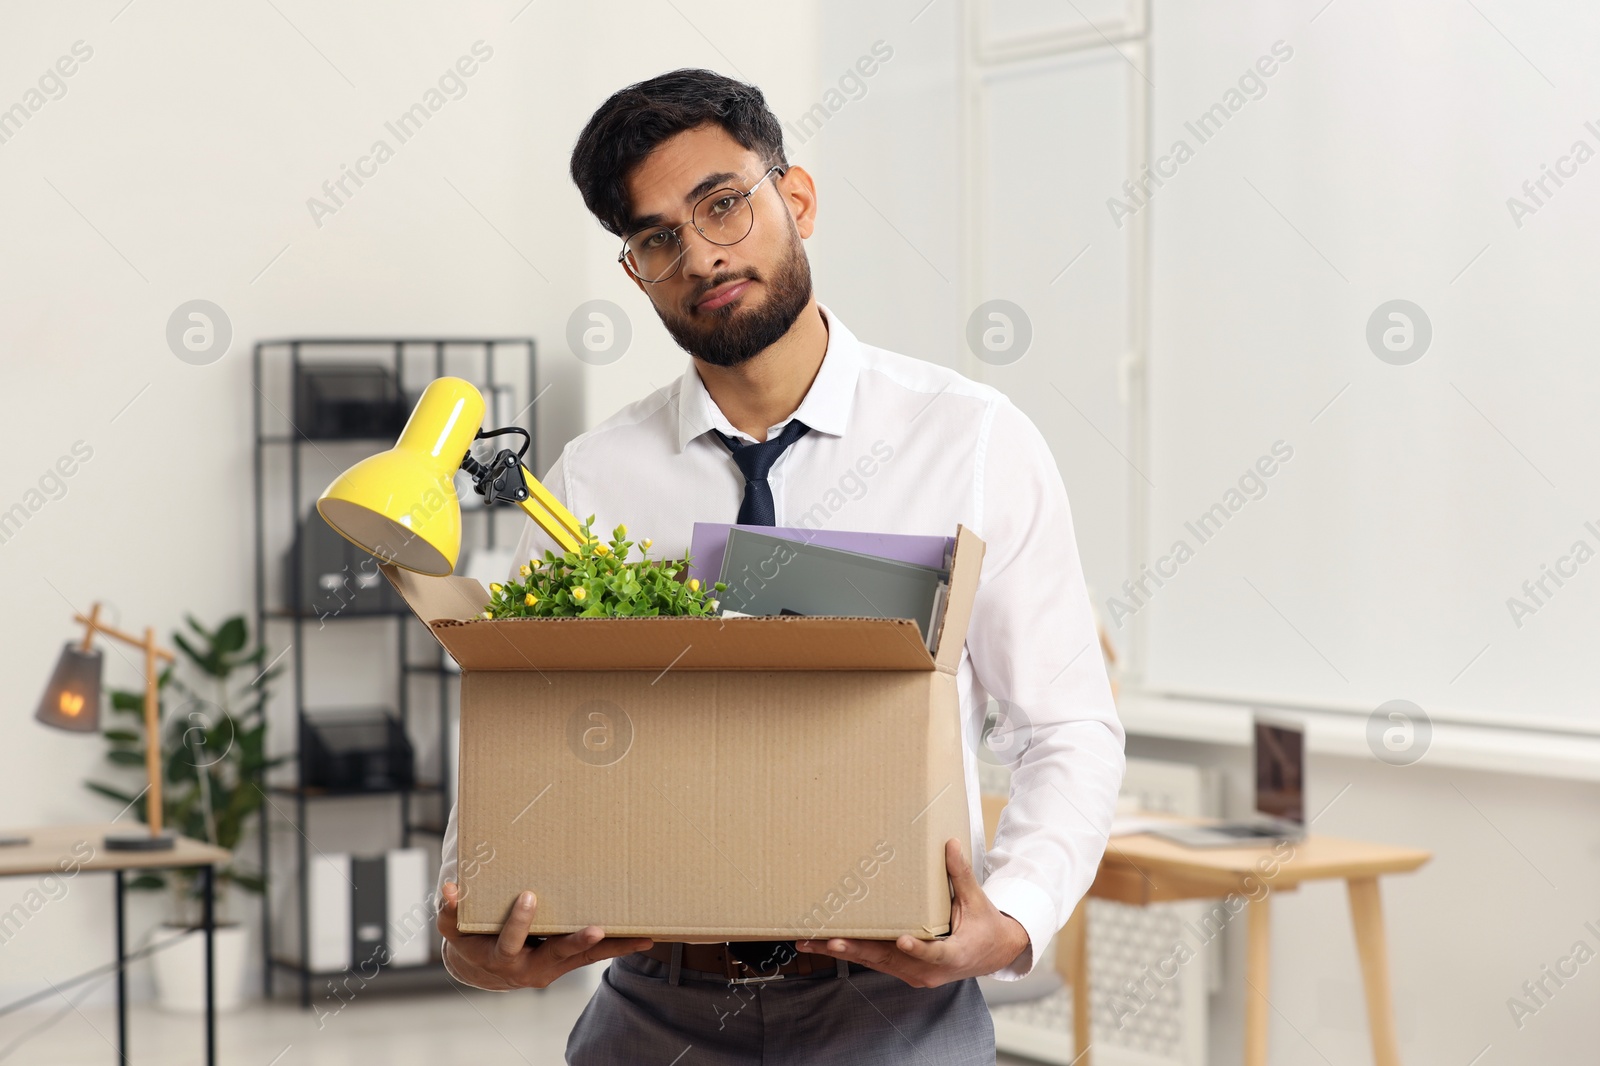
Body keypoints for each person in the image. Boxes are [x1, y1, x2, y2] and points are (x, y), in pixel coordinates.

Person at [434, 68, 1125, 1065]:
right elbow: (516, 731)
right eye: (656, 237)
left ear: (793, 198)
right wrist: (480, 910)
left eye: (723, 203)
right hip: (652, 1008)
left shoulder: (969, 442)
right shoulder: (587, 485)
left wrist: (1012, 917)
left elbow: (1066, 726)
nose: (701, 253)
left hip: (894, 1007)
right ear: (635, 269)